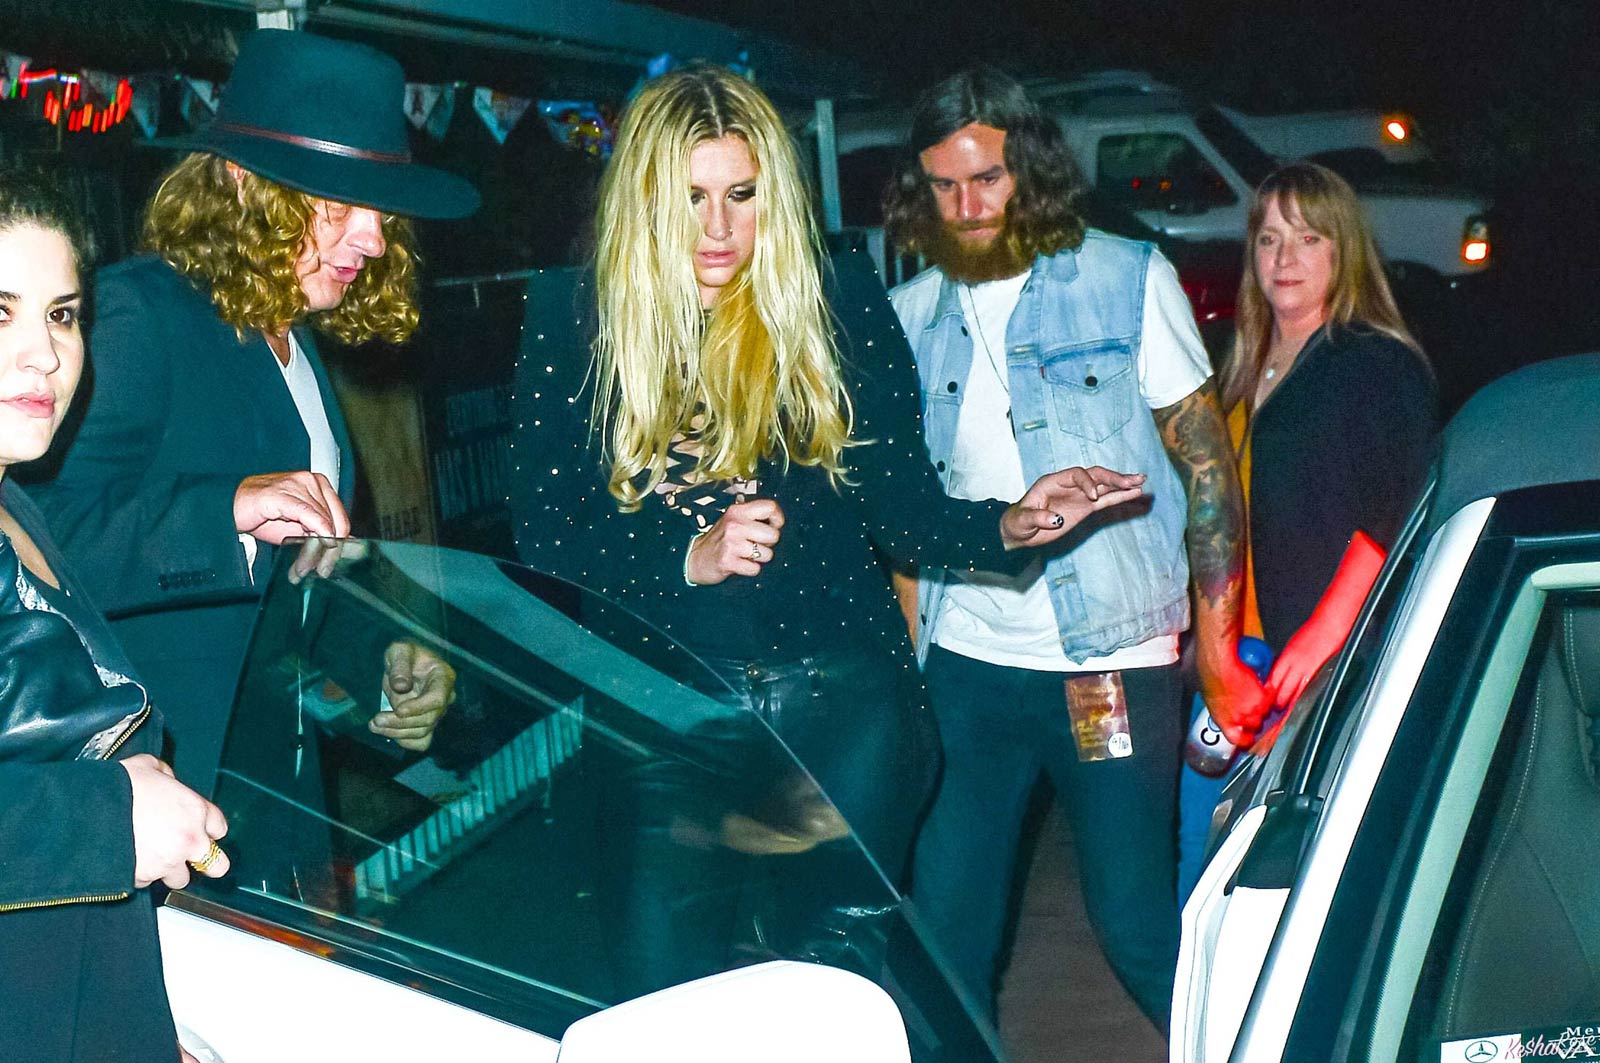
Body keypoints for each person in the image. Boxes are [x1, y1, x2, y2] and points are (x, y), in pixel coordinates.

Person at [509, 64, 1143, 890]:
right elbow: (547, 530)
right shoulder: (572, 312)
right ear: (642, 197)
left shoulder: (835, 299)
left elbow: (902, 509)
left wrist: (1008, 522)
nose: (718, 228)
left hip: (841, 710)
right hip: (660, 713)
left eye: (742, 194)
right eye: (689, 197)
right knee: (669, 991)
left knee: (835, 988)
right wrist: (686, 554)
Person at [881, 67, 1266, 1031]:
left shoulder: (1127, 279)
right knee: (947, 927)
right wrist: (905, 664)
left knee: (1134, 921)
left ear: (1032, 170)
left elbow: (1209, 471)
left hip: (1106, 670)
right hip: (968, 670)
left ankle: (1240, 1046)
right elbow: (903, 512)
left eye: (989, 177)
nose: (968, 206)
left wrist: (1215, 652)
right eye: (945, 184)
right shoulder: (910, 316)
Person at [26, 30, 475, 792]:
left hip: (271, 789)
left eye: (380, 212)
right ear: (243, 184)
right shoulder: (143, 317)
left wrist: (382, 657)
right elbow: (37, 542)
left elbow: (286, 583)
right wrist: (226, 507)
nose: (370, 238)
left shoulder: (295, 340)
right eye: (338, 203)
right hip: (143, 797)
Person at [0, 163, 230, 1063]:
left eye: (62, 314)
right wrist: (108, 819)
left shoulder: (20, 509)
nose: (45, 355)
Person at [1223, 162, 1437, 712]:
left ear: (1343, 252)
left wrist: (1324, 634)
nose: (1284, 258)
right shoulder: (1242, 362)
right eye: (1269, 238)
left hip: (1324, 655)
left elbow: (1392, 512)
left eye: (1308, 238)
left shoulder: (1373, 360)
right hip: (1240, 654)